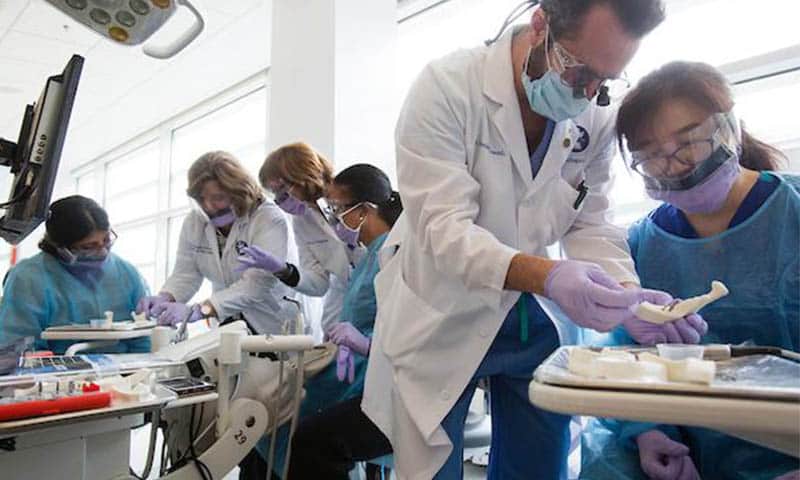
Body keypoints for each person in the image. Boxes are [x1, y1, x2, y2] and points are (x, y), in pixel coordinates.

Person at [361, 1, 709, 478]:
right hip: (441, 307)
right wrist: (549, 275)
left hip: (531, 317)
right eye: (580, 71)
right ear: (541, 25)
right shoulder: (447, 88)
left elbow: (592, 223)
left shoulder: (595, 115)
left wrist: (629, 300)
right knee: (431, 465)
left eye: (605, 80)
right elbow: (444, 229)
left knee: (538, 467)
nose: (589, 93)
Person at [579, 61, 800, 480]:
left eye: (689, 143)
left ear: (728, 128)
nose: (675, 165)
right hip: (688, 453)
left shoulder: (793, 212)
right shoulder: (639, 246)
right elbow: (625, 358)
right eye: (652, 155)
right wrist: (649, 432)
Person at [239, 164, 401, 479]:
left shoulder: (393, 256)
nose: (334, 218)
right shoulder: (370, 254)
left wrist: (366, 344)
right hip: (357, 365)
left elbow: (403, 330)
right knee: (267, 420)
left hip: (379, 377)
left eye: (338, 209)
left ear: (364, 211)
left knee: (294, 430)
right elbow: (334, 293)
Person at [136, 151, 297, 335]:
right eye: (201, 199)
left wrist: (198, 311)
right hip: (229, 324)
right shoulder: (195, 221)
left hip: (273, 323)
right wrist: (165, 297)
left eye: (218, 198)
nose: (208, 207)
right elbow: (186, 273)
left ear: (238, 192)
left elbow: (256, 285)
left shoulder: (268, 218)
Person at [239, 142, 363, 337]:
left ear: (303, 175)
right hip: (343, 299)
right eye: (275, 194)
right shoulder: (302, 221)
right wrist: (283, 270)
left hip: (380, 290)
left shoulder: (351, 196)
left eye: (282, 189)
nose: (279, 200)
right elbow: (318, 284)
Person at [0, 195, 150, 354]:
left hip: (125, 366)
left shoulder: (125, 273)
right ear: (61, 248)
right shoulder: (28, 278)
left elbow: (143, 337)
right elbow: (18, 347)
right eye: (88, 247)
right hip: (56, 366)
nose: (103, 252)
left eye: (106, 240)